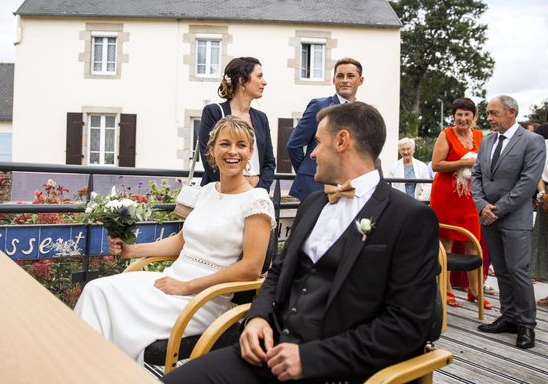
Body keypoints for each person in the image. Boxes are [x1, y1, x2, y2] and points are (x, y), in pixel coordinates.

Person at [162, 102, 439, 384]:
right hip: (264, 356)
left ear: (342, 141)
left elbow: (406, 325)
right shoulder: (313, 203)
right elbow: (277, 273)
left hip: (337, 371)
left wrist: (311, 359)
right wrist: (257, 318)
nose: (313, 153)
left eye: (317, 142)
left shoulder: (410, 218)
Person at [75, 116, 276, 362]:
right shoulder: (206, 193)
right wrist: (133, 250)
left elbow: (251, 268)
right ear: (212, 151)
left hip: (204, 298)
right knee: (96, 290)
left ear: (250, 152)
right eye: (225, 144)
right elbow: (181, 241)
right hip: (171, 281)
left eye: (241, 145)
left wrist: (187, 287)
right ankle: (87, 369)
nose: (233, 151)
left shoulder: (257, 200)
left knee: (109, 307)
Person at [472, 96, 546, 350]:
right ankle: (509, 316)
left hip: (514, 217)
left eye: (493, 113)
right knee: (501, 270)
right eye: (488, 114)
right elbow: (477, 175)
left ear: (511, 112)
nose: (488, 118)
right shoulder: (487, 140)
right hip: (488, 217)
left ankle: (526, 324)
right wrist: (482, 206)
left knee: (518, 271)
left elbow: (528, 182)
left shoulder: (533, 141)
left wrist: (498, 209)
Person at [429, 97, 491, 309]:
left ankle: (474, 291)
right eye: (459, 114)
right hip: (447, 197)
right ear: (453, 116)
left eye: (467, 114)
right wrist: (465, 162)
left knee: (472, 244)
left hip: (471, 198)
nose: (463, 118)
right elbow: (436, 165)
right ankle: (445, 290)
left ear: (474, 116)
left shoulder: (480, 135)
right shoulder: (445, 134)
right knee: (445, 244)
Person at [286, 57, 364, 200]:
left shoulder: (362, 113)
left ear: (360, 80)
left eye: (350, 76)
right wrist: (308, 172)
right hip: (313, 188)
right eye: (340, 76)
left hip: (348, 188)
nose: (345, 80)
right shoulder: (319, 106)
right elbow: (294, 145)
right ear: (334, 80)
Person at [198, 57, 276, 191]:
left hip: (255, 192)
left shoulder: (261, 118)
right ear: (242, 80)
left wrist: (259, 190)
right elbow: (208, 157)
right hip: (223, 193)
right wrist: (235, 188)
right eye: (259, 76)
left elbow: (269, 162)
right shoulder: (214, 112)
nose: (264, 82)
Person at [530, 122, 548, 306]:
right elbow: (539, 173)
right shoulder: (543, 144)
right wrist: (543, 196)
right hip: (545, 197)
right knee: (545, 242)